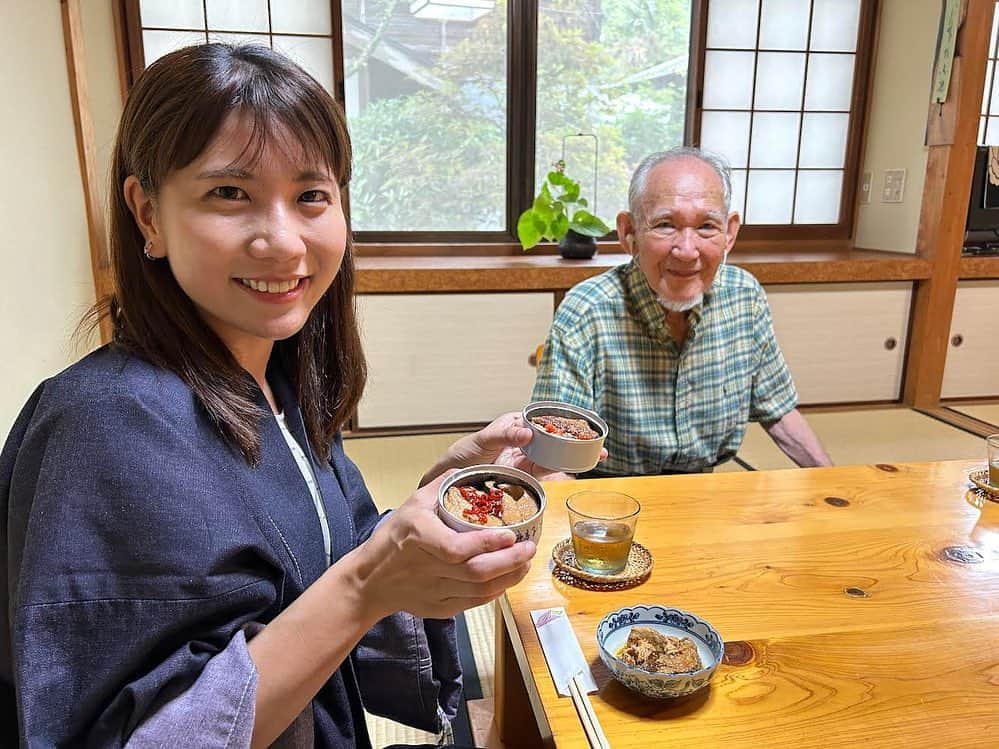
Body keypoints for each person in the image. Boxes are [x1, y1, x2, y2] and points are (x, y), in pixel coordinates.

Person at [0, 44, 548, 748]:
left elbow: (326, 564)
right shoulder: (100, 427)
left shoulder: (281, 379)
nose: (284, 241)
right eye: (229, 193)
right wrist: (365, 585)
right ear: (148, 214)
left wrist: (441, 495)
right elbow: (140, 734)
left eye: (311, 196)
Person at [532, 147, 832, 477]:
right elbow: (555, 457)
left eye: (706, 226)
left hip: (703, 490)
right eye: (665, 225)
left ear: (729, 233)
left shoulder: (744, 297)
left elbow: (777, 409)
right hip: (606, 496)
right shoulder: (586, 311)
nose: (687, 251)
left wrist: (835, 482)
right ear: (628, 233)